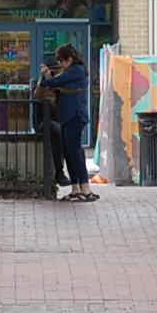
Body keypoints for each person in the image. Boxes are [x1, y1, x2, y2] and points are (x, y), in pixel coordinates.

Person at [48, 43, 98, 202]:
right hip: (67, 117)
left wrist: (48, 76)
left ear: (69, 59)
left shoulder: (76, 70)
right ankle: (76, 188)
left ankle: (85, 187)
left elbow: (53, 82)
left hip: (74, 116)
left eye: (62, 61)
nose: (60, 64)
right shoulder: (71, 70)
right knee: (69, 152)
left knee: (75, 152)